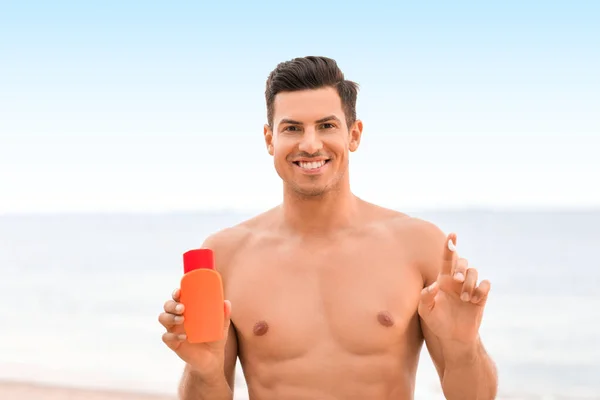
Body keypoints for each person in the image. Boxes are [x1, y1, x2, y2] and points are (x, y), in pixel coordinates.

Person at [158, 56, 498, 400]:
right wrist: (203, 370)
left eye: (326, 126)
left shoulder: (418, 245)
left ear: (354, 134)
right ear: (269, 139)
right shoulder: (227, 255)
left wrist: (463, 346)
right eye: (292, 128)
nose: (310, 144)